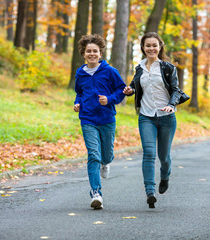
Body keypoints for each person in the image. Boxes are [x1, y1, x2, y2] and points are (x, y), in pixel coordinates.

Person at [123, 32, 183, 208]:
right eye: (147, 45)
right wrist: (130, 90)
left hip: (166, 117)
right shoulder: (139, 68)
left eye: (154, 45)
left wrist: (171, 105)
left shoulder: (167, 67)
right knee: (148, 153)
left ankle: (165, 176)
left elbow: (176, 90)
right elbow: (135, 85)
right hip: (146, 116)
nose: (151, 48)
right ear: (143, 48)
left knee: (163, 156)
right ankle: (150, 191)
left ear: (160, 47)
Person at [73, 34, 126, 210]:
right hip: (88, 119)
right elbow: (79, 92)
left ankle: (106, 162)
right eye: (89, 51)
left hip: (107, 118)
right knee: (93, 155)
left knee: (106, 154)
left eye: (95, 51)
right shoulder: (80, 73)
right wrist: (77, 103)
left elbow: (121, 90)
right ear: (83, 53)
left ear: (100, 53)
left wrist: (109, 99)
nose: (92, 54)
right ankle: (96, 193)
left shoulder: (110, 71)